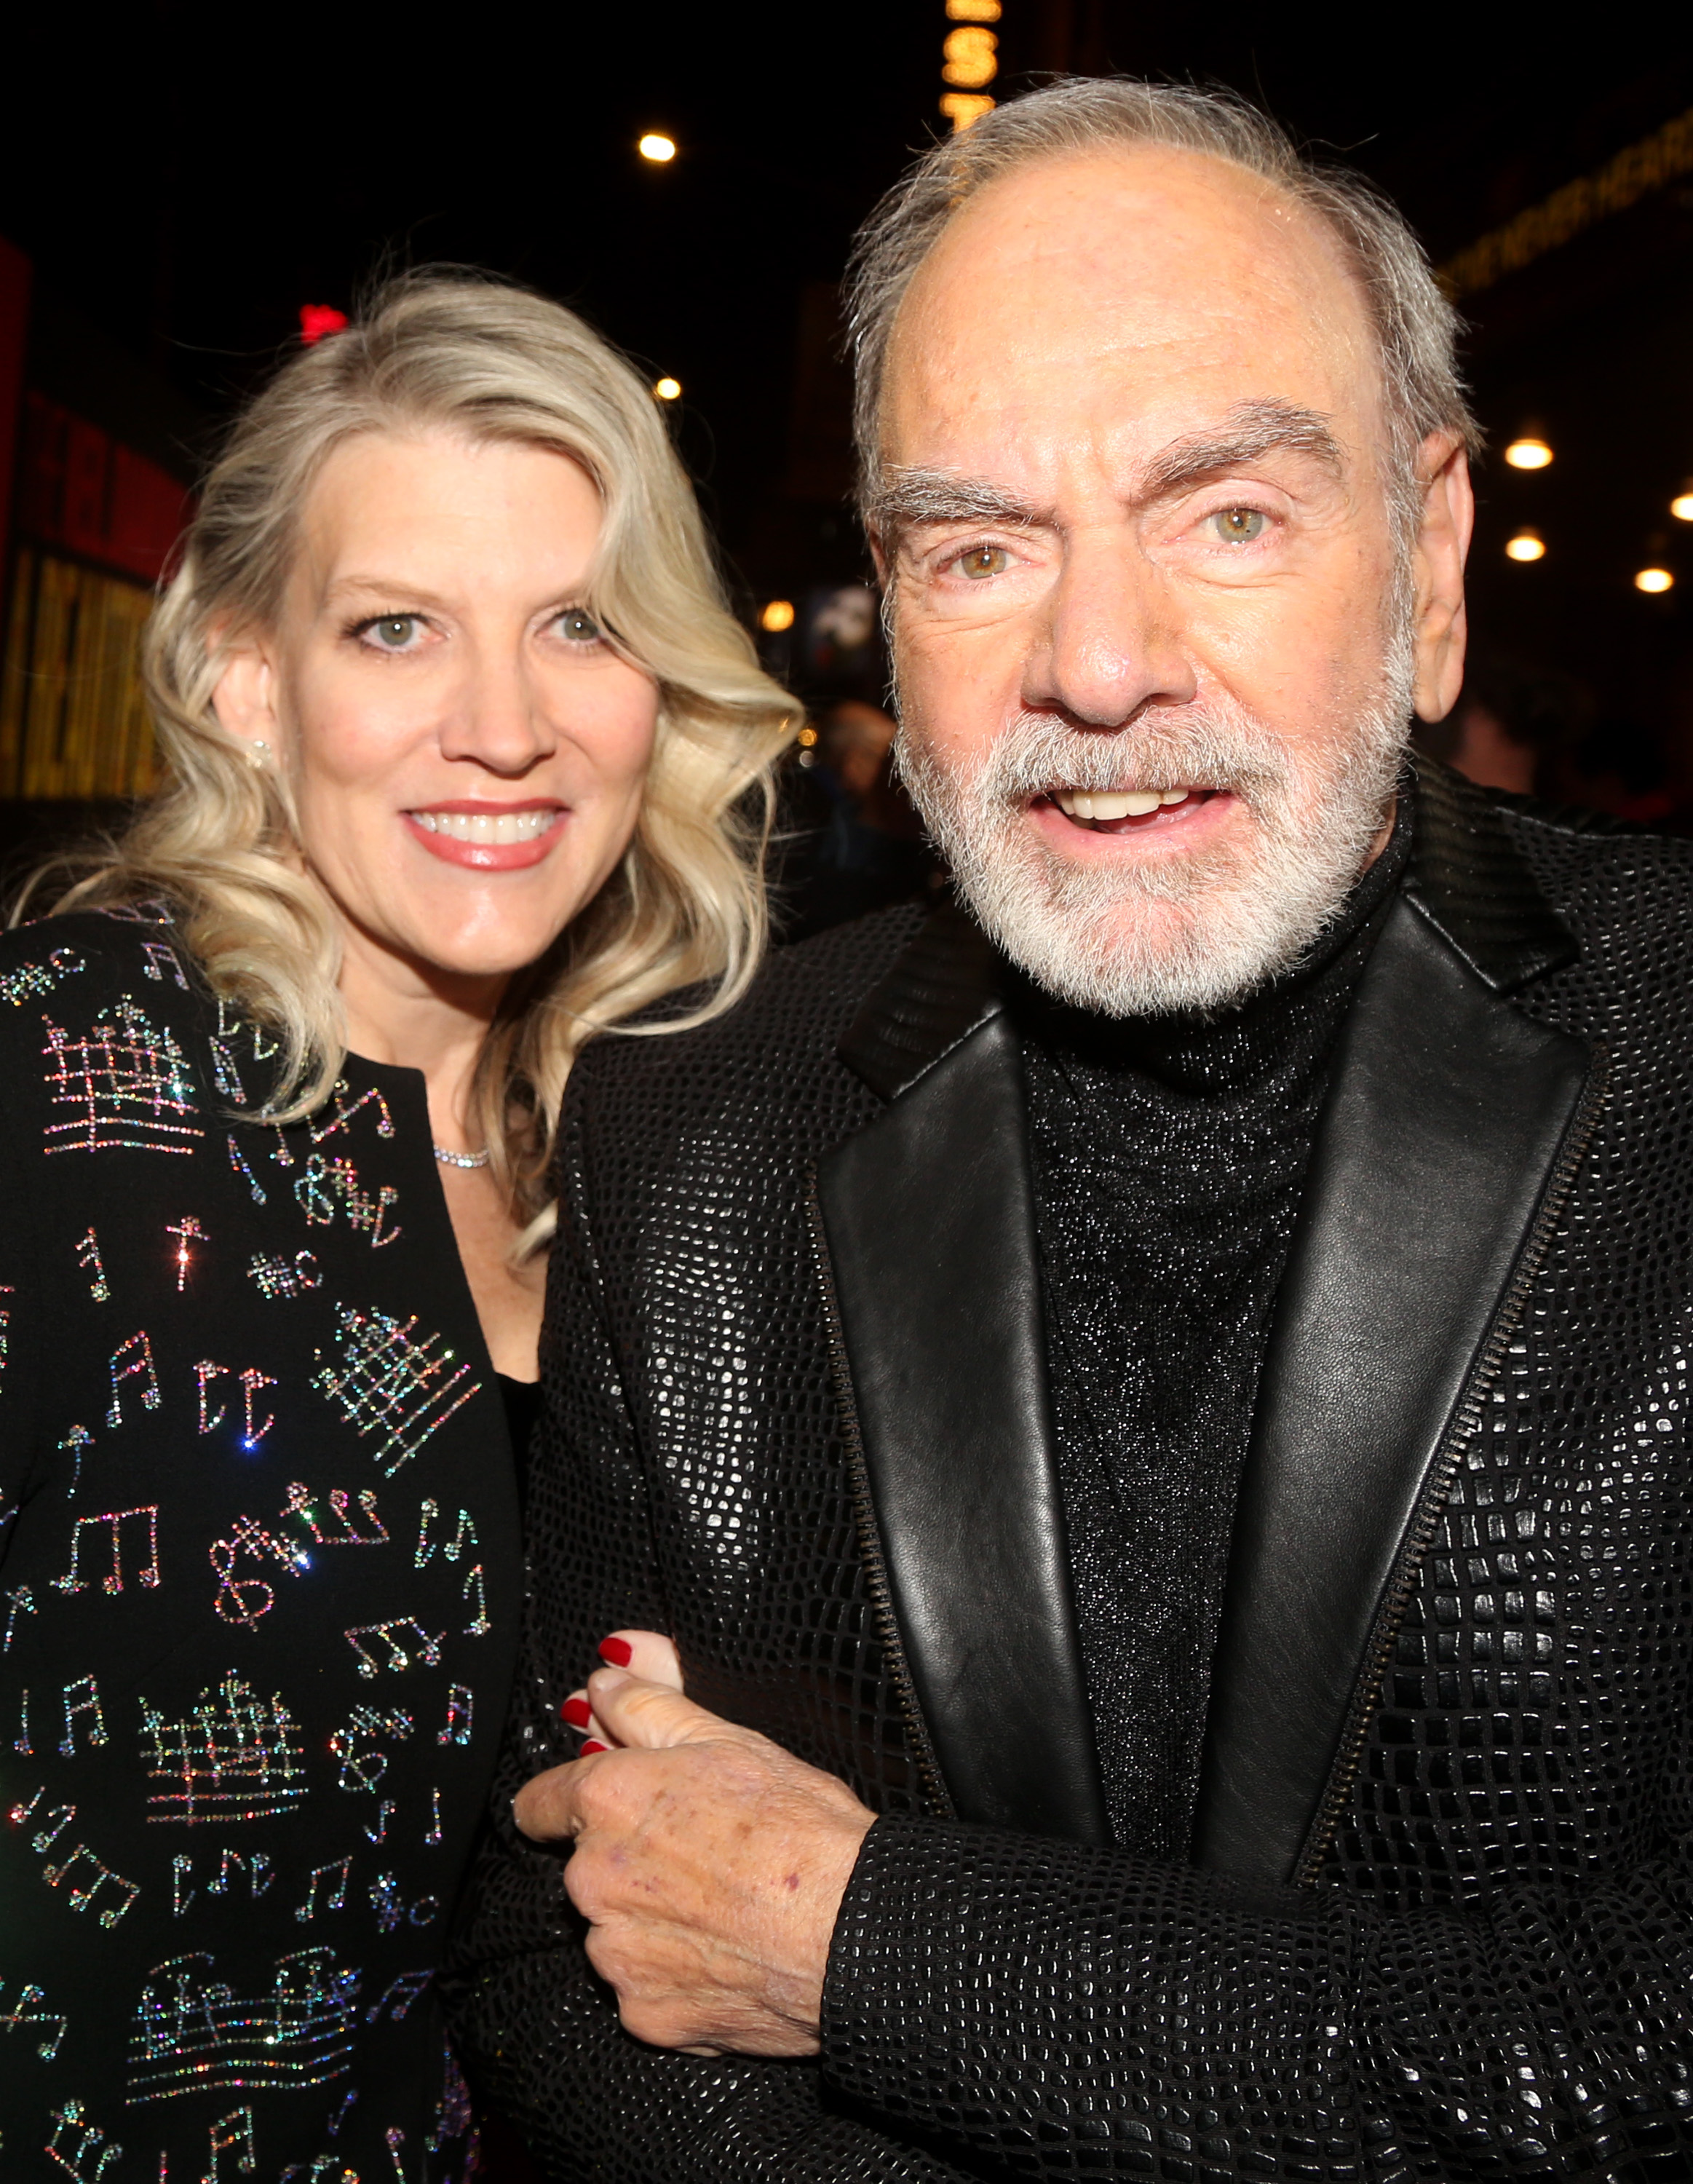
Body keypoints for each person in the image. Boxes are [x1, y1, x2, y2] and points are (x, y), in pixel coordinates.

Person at [449, 79, 1693, 2182]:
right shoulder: (693, 1141)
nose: (1095, 668)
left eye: (1226, 515)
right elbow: (564, 1949)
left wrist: (878, 1946)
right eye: (980, 548)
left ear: (1436, 557)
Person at [0, 274, 790, 2183]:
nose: (502, 726)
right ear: (248, 674)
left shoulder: (671, 1157)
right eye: (397, 629)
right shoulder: (73, 1071)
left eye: (578, 625)